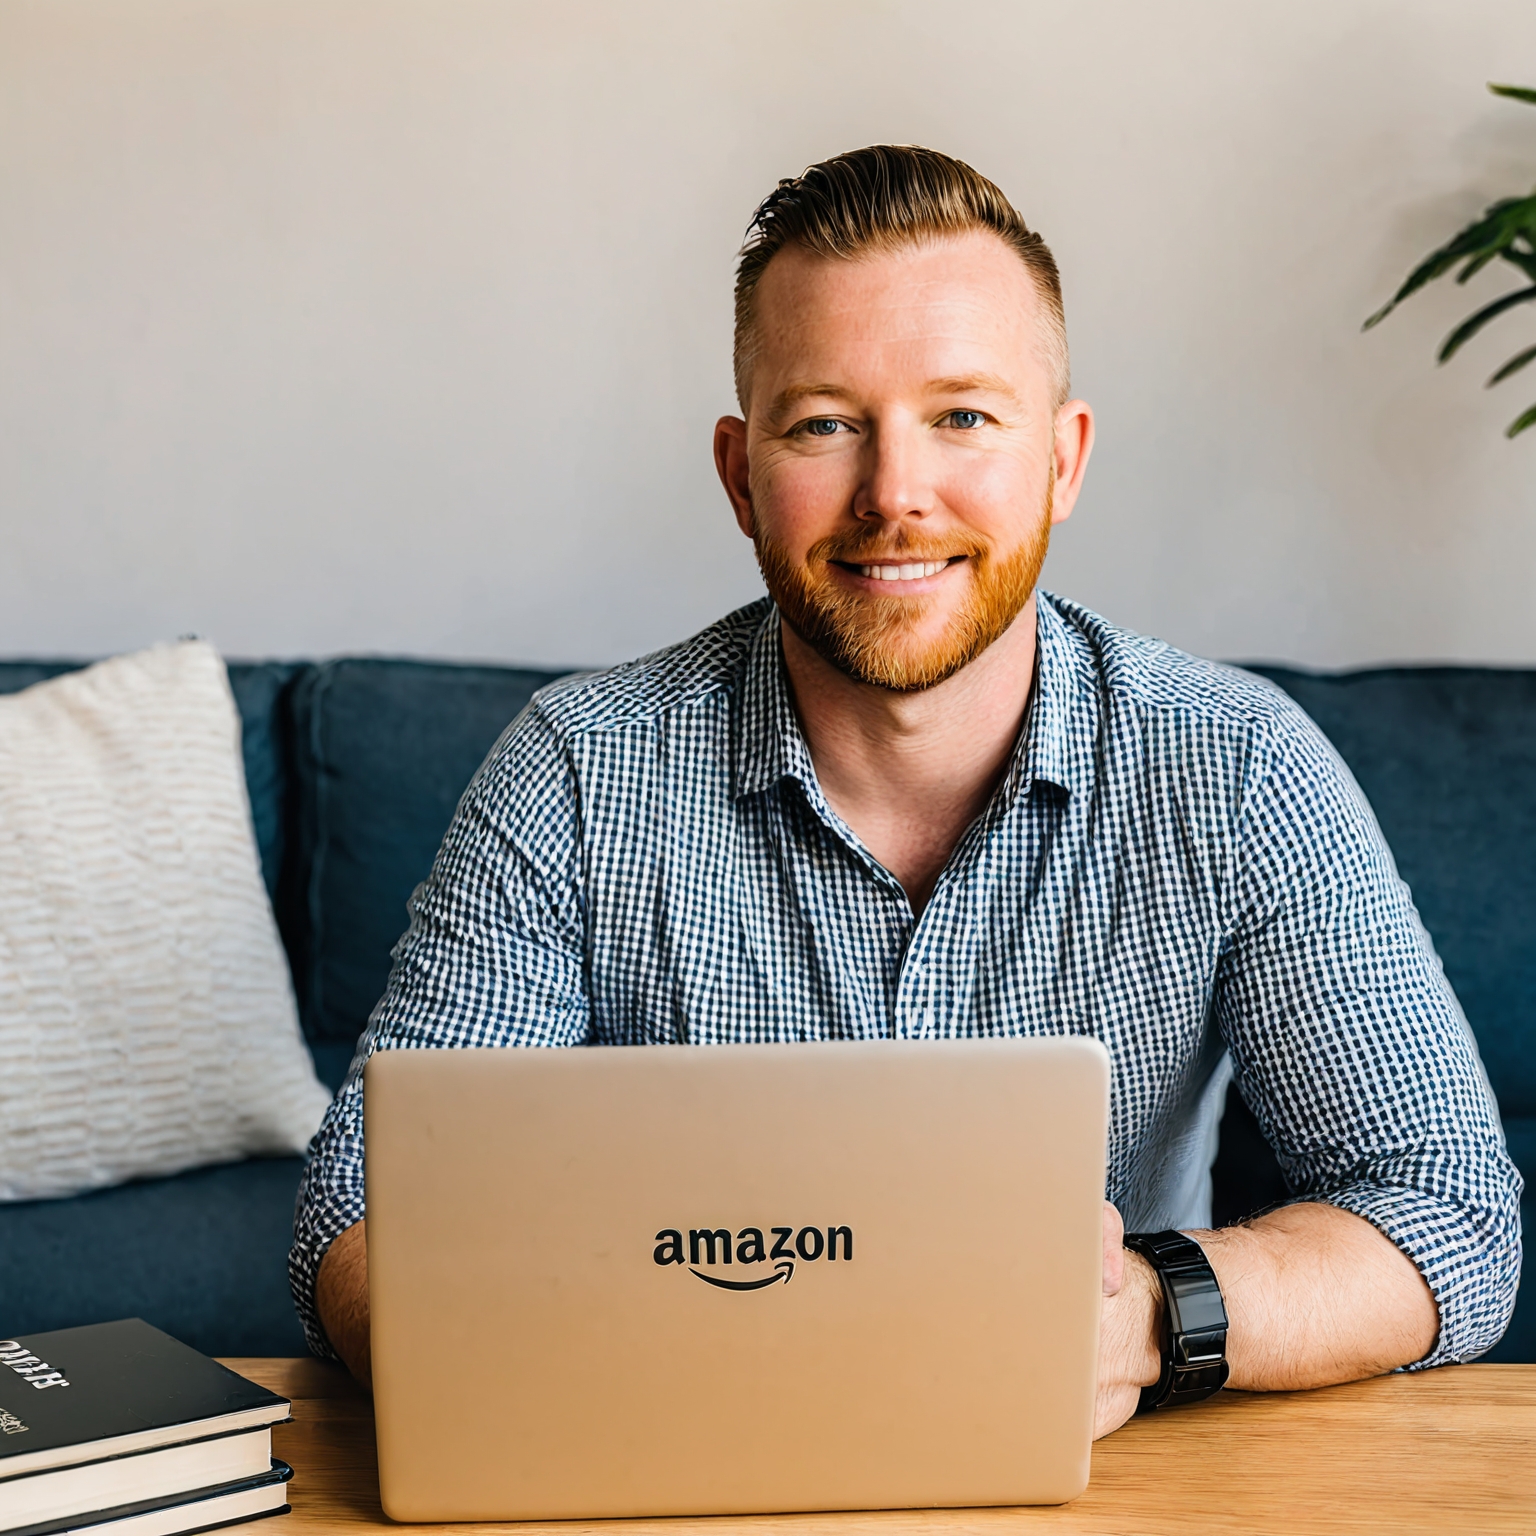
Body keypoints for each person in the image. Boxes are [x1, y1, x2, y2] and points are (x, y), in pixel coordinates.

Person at [291, 145, 1520, 1438]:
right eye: (825, 423)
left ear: (1063, 457)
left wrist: (1153, 1320)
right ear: (738, 473)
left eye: (964, 416)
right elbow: (361, 1204)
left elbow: (1448, 1210)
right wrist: (543, 1380)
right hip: (663, 1457)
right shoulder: (580, 768)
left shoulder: (1240, 769)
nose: (894, 496)